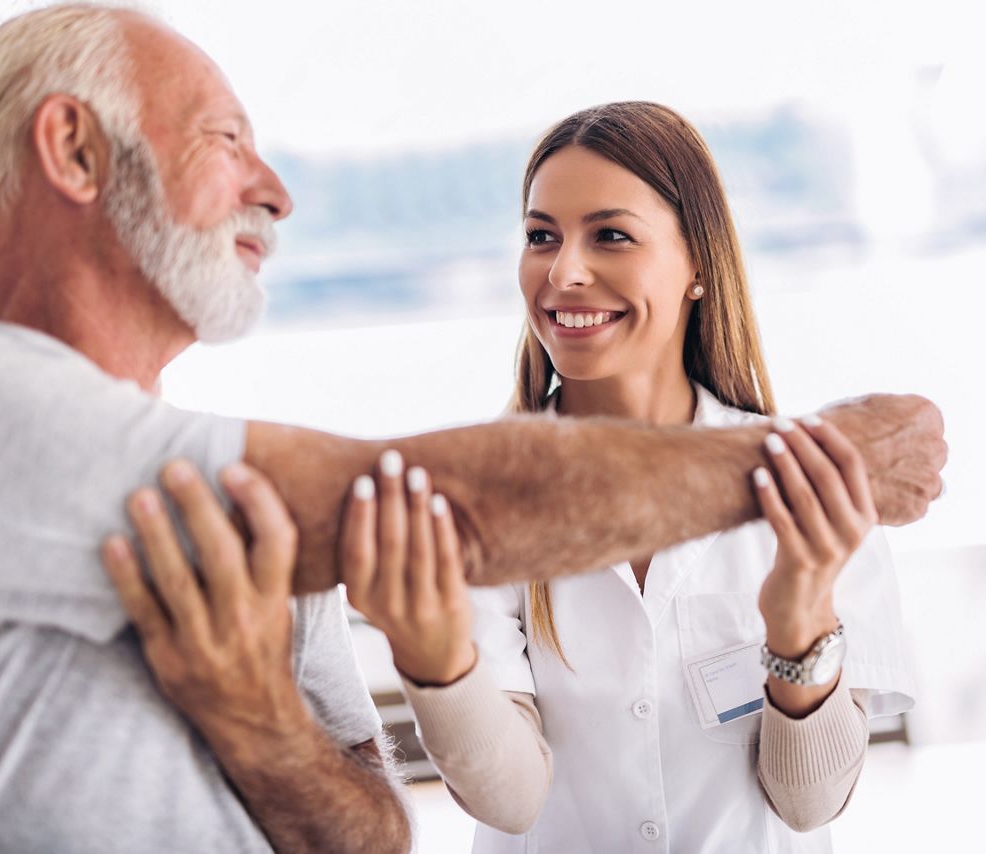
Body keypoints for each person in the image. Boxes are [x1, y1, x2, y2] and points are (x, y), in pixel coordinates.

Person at [0, 4, 945, 851]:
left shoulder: (254, 504)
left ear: (698, 264)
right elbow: (462, 504)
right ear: (75, 149)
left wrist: (255, 720)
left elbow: (376, 834)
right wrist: (820, 462)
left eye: (610, 235)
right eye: (223, 138)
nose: (276, 190)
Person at [342, 102, 915, 854]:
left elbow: (809, 805)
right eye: (541, 236)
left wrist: (799, 611)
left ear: (699, 267)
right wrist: (431, 655)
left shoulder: (817, 489)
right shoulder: (478, 494)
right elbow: (509, 800)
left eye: (610, 235)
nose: (564, 272)